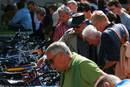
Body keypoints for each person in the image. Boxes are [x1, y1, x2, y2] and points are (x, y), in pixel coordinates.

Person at [38, 41, 107, 87]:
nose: (52, 66)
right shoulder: (65, 67)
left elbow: (110, 83)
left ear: (61, 55)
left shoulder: (83, 65)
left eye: (51, 61)